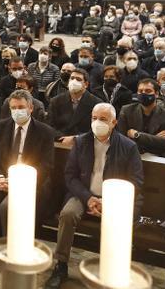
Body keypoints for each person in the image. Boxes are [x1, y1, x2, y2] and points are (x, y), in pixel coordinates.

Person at [44, 103, 144, 288]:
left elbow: (136, 181)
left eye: (103, 119)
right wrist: (88, 198)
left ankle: (111, 270)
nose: (97, 122)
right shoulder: (81, 141)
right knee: (67, 214)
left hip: (114, 199)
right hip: (83, 194)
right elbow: (70, 176)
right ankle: (61, 265)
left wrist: (110, 202)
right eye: (94, 118)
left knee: (117, 224)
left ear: (113, 123)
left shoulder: (128, 146)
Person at [0, 89, 56, 267]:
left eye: (21, 107)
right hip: (3, 178)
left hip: (30, 182)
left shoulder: (44, 131)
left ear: (30, 108)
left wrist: (20, 182)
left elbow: (47, 165)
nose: (17, 111)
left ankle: (13, 249)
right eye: (13, 107)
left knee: (8, 207)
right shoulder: (1, 126)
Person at [117, 79, 165, 157]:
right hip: (132, 154)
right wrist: (155, 138)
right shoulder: (126, 111)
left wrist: (137, 135)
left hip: (158, 157)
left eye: (148, 91)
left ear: (156, 94)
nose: (143, 93)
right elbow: (121, 139)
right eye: (140, 91)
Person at [48, 68, 103, 145]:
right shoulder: (55, 101)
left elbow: (97, 129)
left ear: (86, 84)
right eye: (72, 78)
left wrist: (75, 139)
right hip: (60, 143)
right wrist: (62, 138)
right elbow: (50, 126)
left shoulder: (97, 103)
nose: (74, 81)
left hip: (85, 145)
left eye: (78, 79)